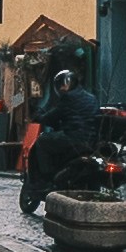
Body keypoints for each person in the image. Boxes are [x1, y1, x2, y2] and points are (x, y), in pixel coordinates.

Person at [20, 67, 103, 214]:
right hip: (90, 142)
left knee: (42, 141)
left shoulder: (68, 98)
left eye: (62, 84)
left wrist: (39, 115)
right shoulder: (92, 98)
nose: (63, 87)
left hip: (72, 139)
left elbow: (51, 116)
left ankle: (44, 178)